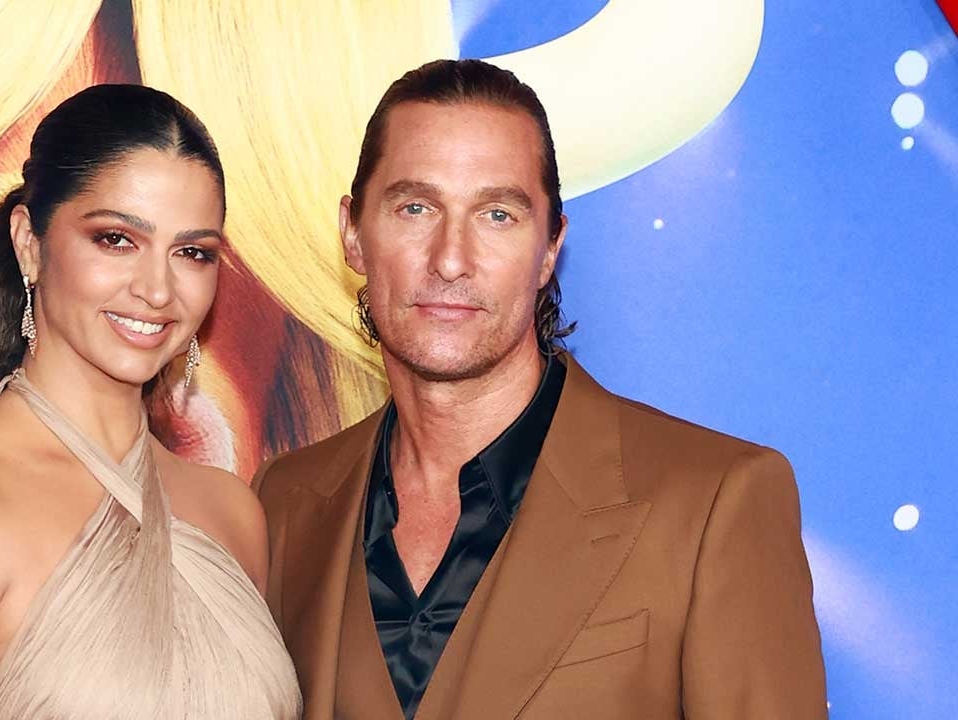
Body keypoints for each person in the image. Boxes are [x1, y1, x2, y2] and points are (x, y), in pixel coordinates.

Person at [252, 59, 827, 719]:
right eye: (415, 208)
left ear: (551, 247)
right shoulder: (283, 502)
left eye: (497, 215)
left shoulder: (715, 502)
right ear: (353, 234)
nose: (450, 259)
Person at [0, 84, 300, 719]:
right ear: (29, 243)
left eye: (192, 253)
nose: (157, 290)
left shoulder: (232, 512)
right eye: (116, 239)